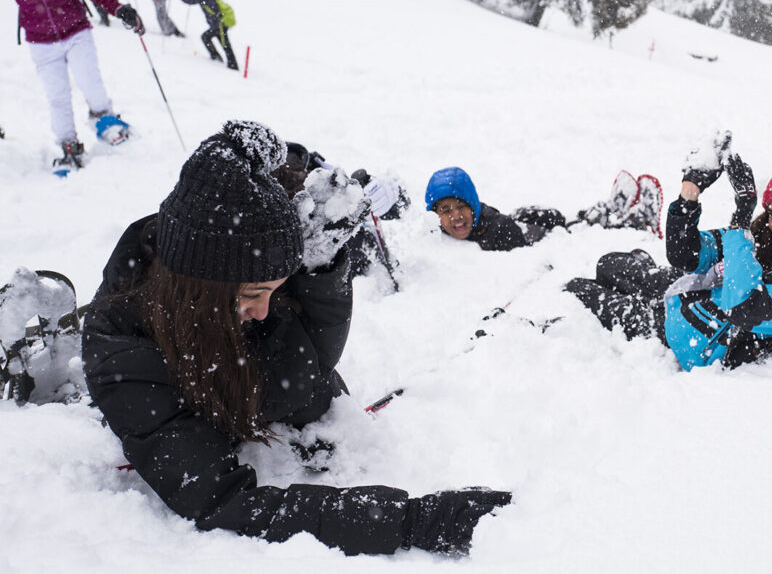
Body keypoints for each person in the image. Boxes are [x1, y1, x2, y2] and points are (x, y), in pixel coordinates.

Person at [81, 121, 511, 556]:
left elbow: (310, 373)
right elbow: (223, 502)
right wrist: (412, 521)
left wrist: (322, 271)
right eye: (253, 295)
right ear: (203, 287)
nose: (263, 311)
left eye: (273, 291)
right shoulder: (125, 357)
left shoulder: (237, 282)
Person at [565, 130, 772, 370]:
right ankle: (643, 269)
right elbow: (685, 254)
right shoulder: (767, 240)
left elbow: (744, 306)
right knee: (609, 264)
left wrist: (741, 217)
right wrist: (690, 193)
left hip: (688, 334)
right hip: (689, 296)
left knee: (579, 288)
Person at [1, 0, 145, 172]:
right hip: (41, 43)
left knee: (90, 82)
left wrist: (119, 9)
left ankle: (106, 122)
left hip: (76, 33)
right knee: (57, 97)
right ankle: (68, 145)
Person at [424, 166, 663, 252]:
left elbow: (541, 238)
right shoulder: (438, 235)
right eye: (445, 210)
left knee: (560, 223)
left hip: (525, 231)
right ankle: (628, 220)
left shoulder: (496, 231)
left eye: (462, 206)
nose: (455, 215)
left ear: (474, 204)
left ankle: (609, 218)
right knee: (565, 226)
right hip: (519, 228)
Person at [273, 140, 410, 279]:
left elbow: (403, 209)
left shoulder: (334, 192)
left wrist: (389, 194)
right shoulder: (268, 242)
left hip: (375, 282)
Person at [171, 0, 236, 70]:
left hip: (218, 26)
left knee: (211, 39)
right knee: (222, 43)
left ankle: (226, 63)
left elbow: (187, 0)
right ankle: (228, 63)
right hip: (219, 24)